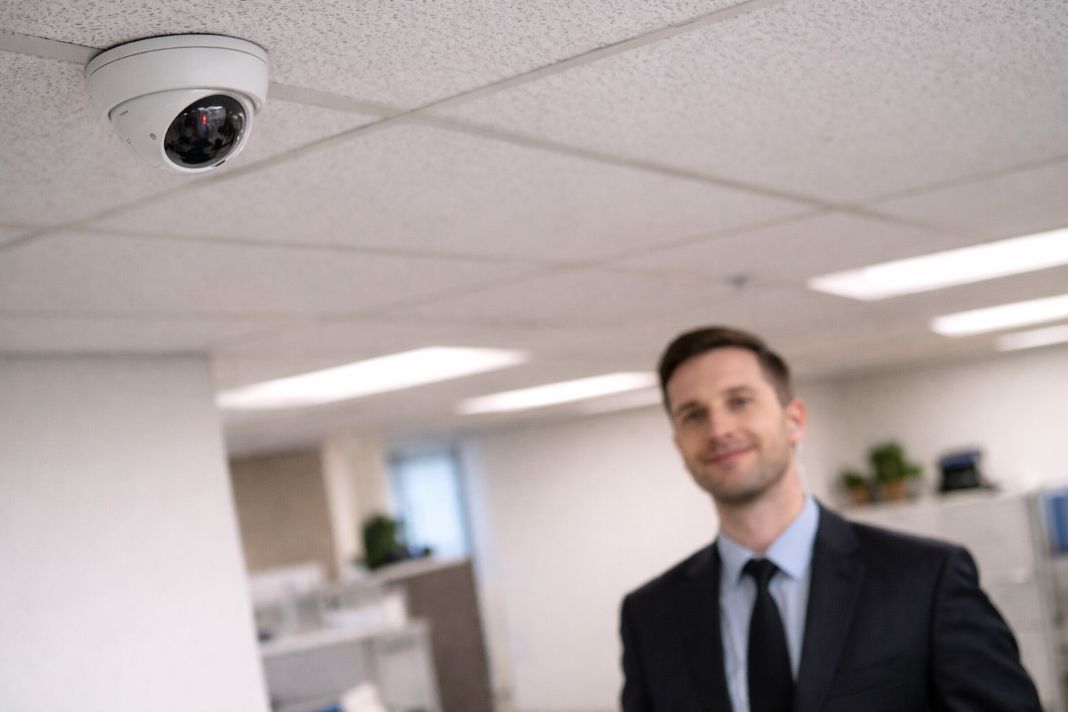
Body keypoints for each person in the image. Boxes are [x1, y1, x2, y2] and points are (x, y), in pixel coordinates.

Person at [619, 326, 1041, 712]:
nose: (719, 429)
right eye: (693, 414)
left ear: (794, 421)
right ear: (679, 445)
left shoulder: (924, 579)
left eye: (740, 401)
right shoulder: (650, 616)